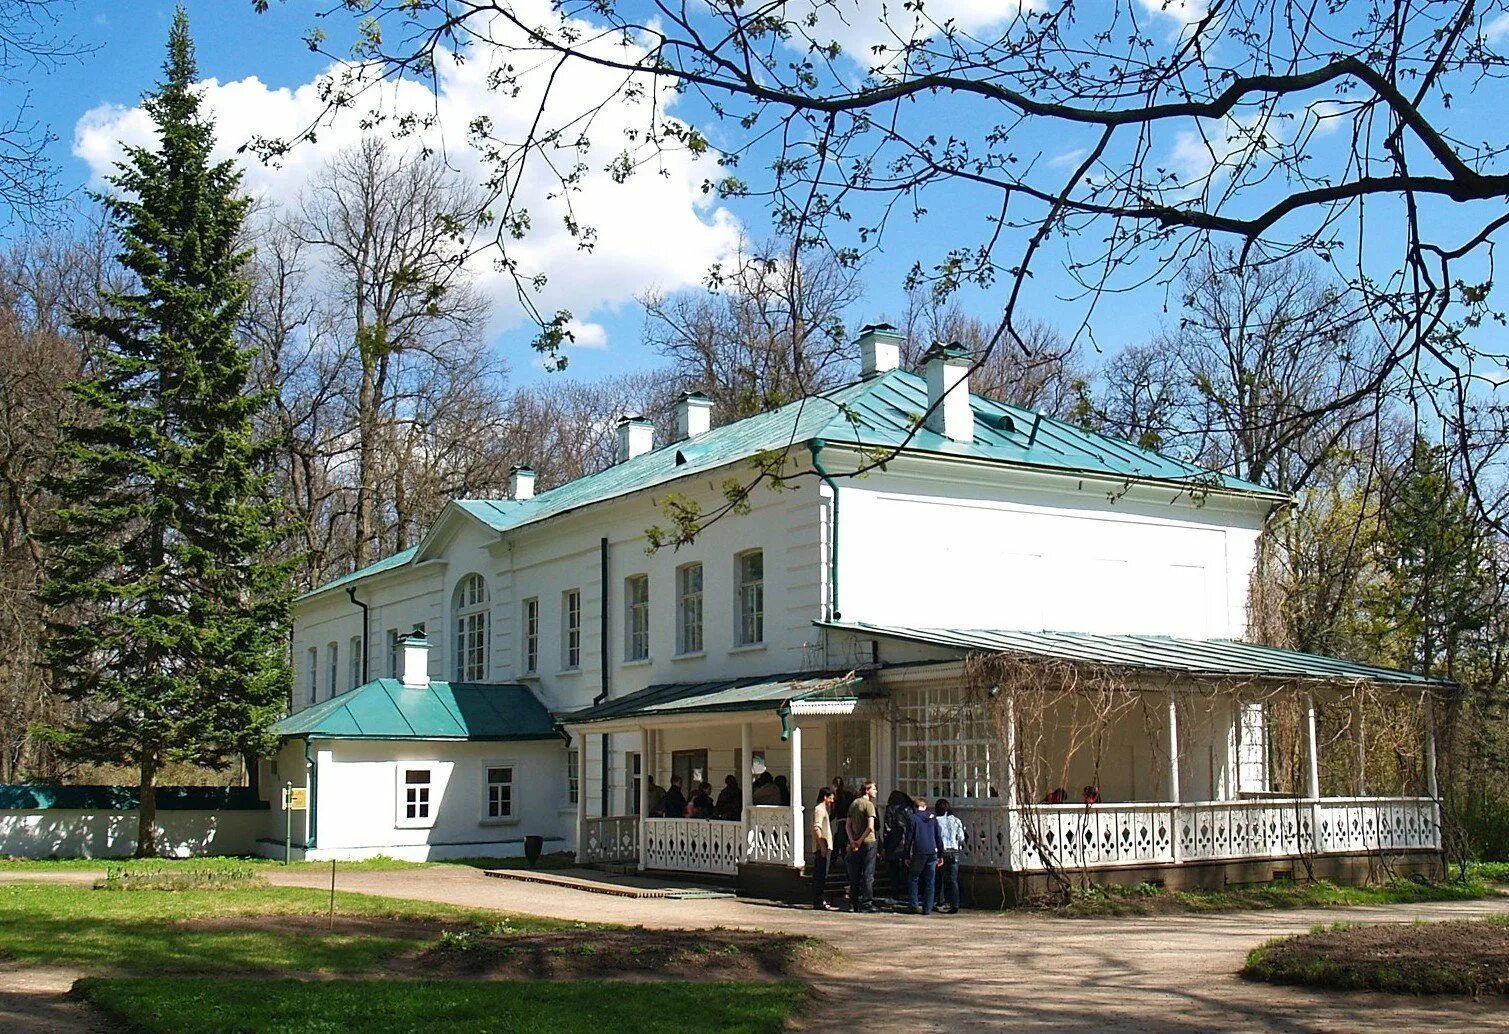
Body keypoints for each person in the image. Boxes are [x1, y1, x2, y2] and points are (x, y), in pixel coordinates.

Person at [903, 797, 944, 915]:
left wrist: (906, 855)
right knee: (930, 880)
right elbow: (938, 836)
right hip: (932, 850)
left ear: (915, 807)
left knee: (913, 877)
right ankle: (927, 908)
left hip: (919, 851)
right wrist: (940, 854)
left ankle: (914, 904)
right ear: (925, 807)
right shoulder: (933, 818)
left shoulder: (913, 818)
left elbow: (909, 838)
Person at [845, 780, 879, 912]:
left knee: (855, 874)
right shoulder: (869, 805)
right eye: (873, 789)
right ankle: (867, 903)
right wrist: (860, 841)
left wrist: (852, 840)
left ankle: (853, 903)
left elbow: (848, 825)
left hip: (855, 842)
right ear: (867, 790)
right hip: (868, 842)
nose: (875, 791)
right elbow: (871, 827)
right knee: (868, 874)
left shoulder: (853, 804)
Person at [810, 786, 839, 910]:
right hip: (822, 848)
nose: (832, 801)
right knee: (820, 876)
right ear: (825, 797)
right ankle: (818, 901)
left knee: (823, 875)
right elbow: (817, 828)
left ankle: (820, 900)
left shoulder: (823, 809)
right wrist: (822, 846)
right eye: (831, 798)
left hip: (825, 847)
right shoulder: (820, 809)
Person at [934, 799, 965, 914]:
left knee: (939, 877)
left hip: (941, 851)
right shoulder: (956, 821)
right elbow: (961, 838)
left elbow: (935, 837)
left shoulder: (936, 821)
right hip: (954, 851)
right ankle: (954, 903)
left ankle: (939, 900)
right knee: (953, 879)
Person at [882, 789, 914, 897]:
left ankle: (896, 892)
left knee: (893, 871)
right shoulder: (909, 809)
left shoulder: (890, 809)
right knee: (907, 870)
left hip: (893, 843)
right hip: (907, 844)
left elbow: (887, 829)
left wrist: (884, 846)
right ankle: (907, 892)